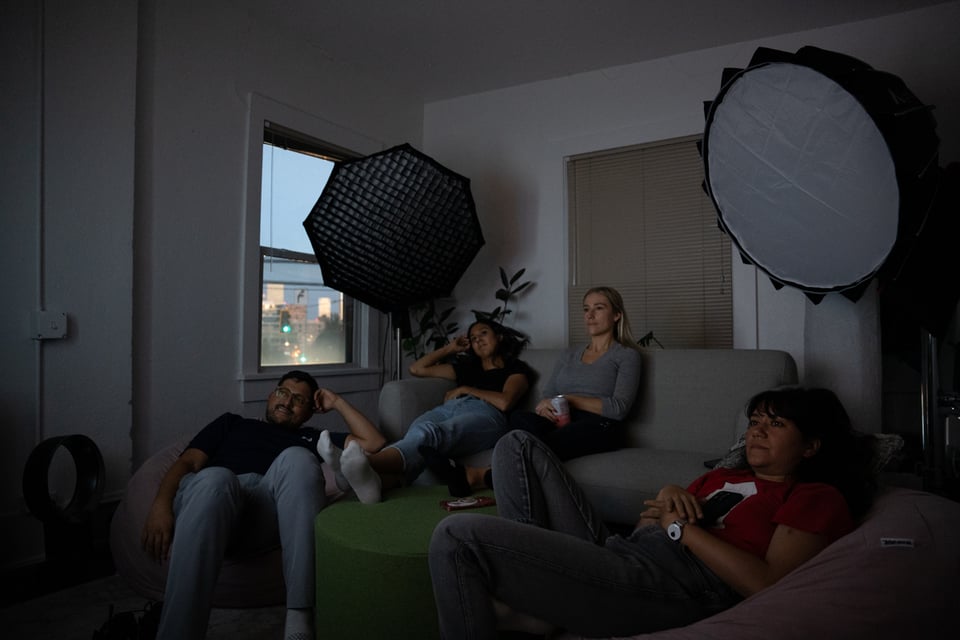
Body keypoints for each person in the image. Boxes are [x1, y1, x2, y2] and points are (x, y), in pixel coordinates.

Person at [428, 387, 876, 639]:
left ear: (812, 446)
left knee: (457, 539)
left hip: (673, 586)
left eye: (776, 424)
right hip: (626, 552)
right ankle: (545, 594)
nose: (758, 431)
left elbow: (767, 584)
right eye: (756, 420)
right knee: (517, 444)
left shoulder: (815, 495)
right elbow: (647, 525)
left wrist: (679, 527)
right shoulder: (720, 476)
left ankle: (541, 594)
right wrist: (668, 494)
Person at [141, 370, 386, 640]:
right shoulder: (231, 423)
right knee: (216, 477)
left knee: (297, 457)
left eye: (299, 400)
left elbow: (374, 443)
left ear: (309, 412)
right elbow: (187, 463)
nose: (287, 402)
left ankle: (299, 618)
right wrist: (160, 506)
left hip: (263, 509)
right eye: (282, 392)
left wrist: (337, 401)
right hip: (210, 499)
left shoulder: (312, 438)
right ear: (271, 396)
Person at [321, 318, 532, 503]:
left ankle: (365, 462)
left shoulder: (515, 369)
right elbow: (417, 369)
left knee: (429, 433)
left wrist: (465, 388)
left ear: (500, 336)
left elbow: (505, 402)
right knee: (420, 434)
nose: (477, 339)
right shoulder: (467, 367)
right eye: (473, 337)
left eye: (483, 333)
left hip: (487, 415)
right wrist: (449, 349)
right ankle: (375, 485)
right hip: (450, 408)